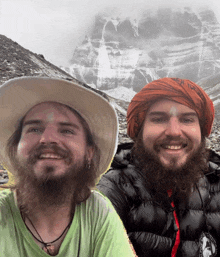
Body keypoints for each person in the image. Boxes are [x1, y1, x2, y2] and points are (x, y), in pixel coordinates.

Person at [0, 76, 136, 257]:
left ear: (89, 152)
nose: (48, 138)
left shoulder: (97, 212)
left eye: (66, 130)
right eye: (34, 129)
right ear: (15, 147)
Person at [98, 77, 220, 257]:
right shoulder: (113, 189)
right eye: (159, 119)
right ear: (140, 129)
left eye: (187, 120)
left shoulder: (216, 182)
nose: (173, 131)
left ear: (202, 131)